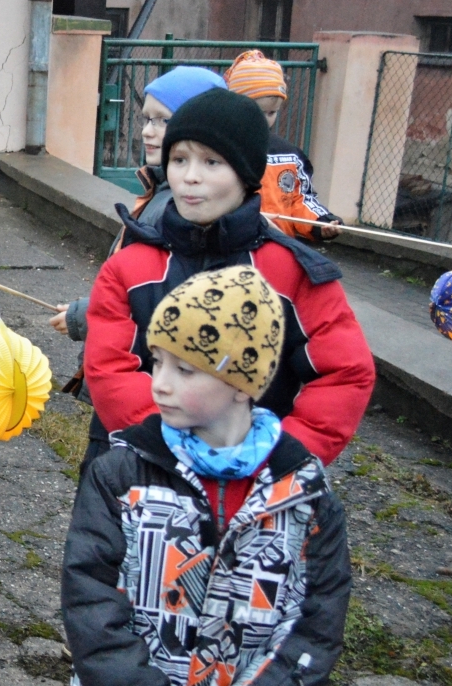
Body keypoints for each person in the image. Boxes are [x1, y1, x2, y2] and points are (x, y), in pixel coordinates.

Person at [57, 264, 352, 686]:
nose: (158, 382)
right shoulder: (121, 474)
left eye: (184, 368)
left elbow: (315, 629)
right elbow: (90, 602)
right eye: (155, 361)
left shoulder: (304, 499)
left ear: (245, 380)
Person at [80, 88, 374, 472]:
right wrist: (174, 451)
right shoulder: (129, 269)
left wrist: (280, 458)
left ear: (246, 172)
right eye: (179, 159)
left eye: (212, 162)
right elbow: (110, 369)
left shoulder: (293, 273)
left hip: (256, 481)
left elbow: (344, 373)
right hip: (141, 469)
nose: (190, 177)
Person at [49, 65, 227, 341]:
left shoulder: (184, 207)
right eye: (147, 119)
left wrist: (89, 315)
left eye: (162, 120)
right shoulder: (162, 192)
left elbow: (162, 296)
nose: (146, 131)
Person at [224, 49, 341, 243]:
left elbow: (301, 199)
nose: (264, 120)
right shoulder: (219, 150)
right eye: (257, 111)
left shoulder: (289, 155)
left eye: (271, 113)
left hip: (278, 247)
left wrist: (320, 222)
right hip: (234, 247)